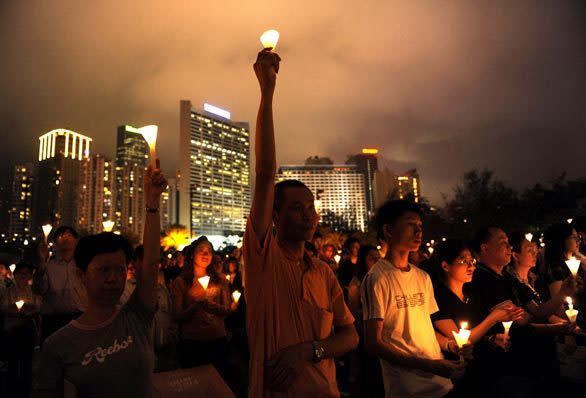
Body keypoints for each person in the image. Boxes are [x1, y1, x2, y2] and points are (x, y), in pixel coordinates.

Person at [243, 48, 358, 397]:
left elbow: (350, 335)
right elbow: (265, 174)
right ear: (275, 215)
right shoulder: (262, 259)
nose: (309, 214)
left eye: (311, 206)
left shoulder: (322, 271)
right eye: (296, 207)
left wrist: (309, 351)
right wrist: (267, 93)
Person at [32, 160, 168, 398]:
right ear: (82, 275)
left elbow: (150, 264)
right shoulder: (58, 345)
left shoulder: (136, 317)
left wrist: (152, 203)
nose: (113, 279)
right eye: (103, 270)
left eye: (119, 270)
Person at [361, 200, 466, 398]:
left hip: (441, 382)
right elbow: (373, 342)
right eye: (411, 225)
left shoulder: (422, 277)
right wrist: (428, 365)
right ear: (389, 230)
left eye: (420, 226)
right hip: (407, 387)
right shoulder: (376, 279)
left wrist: (452, 345)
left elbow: (425, 329)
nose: (418, 231)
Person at [429, 239, 523, 396]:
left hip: (486, 368)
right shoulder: (439, 300)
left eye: (471, 260)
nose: (470, 266)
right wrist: (493, 318)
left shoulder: (471, 295)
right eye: (463, 261)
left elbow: (478, 331)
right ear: (445, 266)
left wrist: (491, 338)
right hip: (462, 375)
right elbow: (462, 341)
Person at [505, 231, 577, 397]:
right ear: (515, 255)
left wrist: (564, 323)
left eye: (535, 249)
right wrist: (562, 294)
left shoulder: (534, 279)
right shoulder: (512, 283)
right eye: (529, 250)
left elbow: (544, 311)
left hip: (546, 348)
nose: (535, 252)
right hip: (528, 354)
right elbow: (536, 313)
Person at [465, 226, 531, 397]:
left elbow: (533, 312)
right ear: (485, 248)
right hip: (495, 363)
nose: (510, 248)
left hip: (516, 360)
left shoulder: (506, 276)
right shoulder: (481, 278)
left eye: (510, 244)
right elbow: (522, 318)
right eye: (503, 243)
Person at [170, 236, 231, 372]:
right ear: (192, 254)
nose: (206, 254)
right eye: (201, 251)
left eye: (209, 251)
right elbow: (176, 316)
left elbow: (227, 310)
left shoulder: (220, 280)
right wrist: (195, 306)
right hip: (192, 342)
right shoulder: (181, 282)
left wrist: (215, 307)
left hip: (217, 339)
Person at [33, 226, 88, 342]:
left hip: (80, 317)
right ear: (55, 243)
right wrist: (42, 264)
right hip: (53, 321)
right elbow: (39, 290)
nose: (65, 238)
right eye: (61, 235)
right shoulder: (49, 267)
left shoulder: (84, 265)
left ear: (76, 241)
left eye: (69, 235)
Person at [347, 245, 384, 398]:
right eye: (371, 258)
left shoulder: (383, 279)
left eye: (378, 258)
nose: (376, 261)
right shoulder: (357, 283)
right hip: (365, 331)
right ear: (363, 261)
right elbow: (353, 312)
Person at [1, 262, 42, 397]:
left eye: (26, 274)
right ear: (15, 275)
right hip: (12, 330)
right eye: (21, 274)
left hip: (28, 328)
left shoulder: (33, 291)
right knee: (13, 361)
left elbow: (38, 306)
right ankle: (11, 389)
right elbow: (3, 307)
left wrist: (29, 312)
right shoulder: (8, 291)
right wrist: (16, 310)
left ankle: (26, 388)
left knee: (27, 361)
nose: (23, 277)